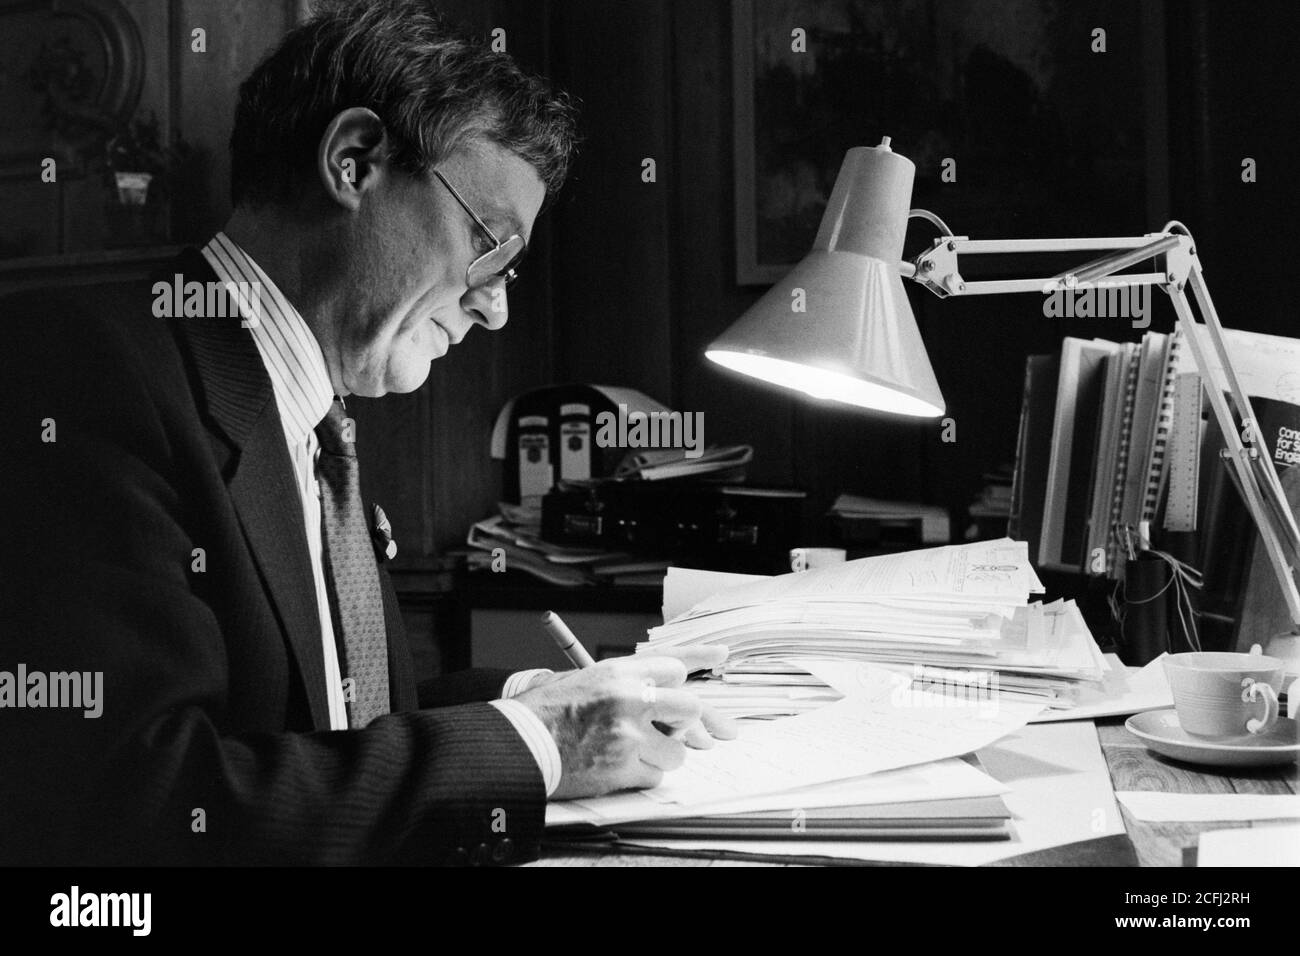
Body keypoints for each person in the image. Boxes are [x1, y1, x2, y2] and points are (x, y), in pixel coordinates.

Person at [0, 0, 734, 867]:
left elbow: (337, 720)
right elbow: (143, 803)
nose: (495, 308)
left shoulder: (311, 412)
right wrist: (538, 744)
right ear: (355, 161)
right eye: (489, 245)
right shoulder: (88, 373)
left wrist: (538, 697)